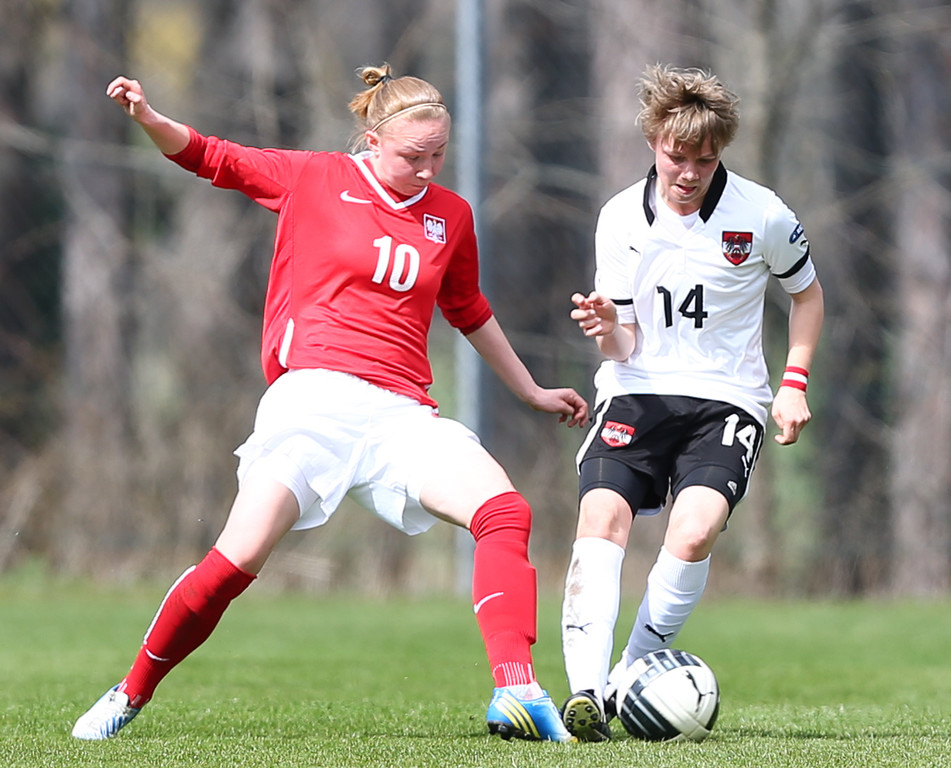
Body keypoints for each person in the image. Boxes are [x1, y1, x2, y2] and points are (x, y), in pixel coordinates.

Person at [72, 64, 589, 744]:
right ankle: (130, 691)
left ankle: (516, 688)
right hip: (313, 402)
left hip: (401, 414)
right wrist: (149, 118)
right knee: (236, 559)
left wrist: (530, 390)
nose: (427, 169)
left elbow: (466, 307)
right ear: (373, 141)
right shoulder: (315, 177)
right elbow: (211, 158)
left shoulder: (451, 215)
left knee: (504, 511)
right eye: (413, 156)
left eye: (438, 154)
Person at [559, 64, 824, 741]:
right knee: (601, 516)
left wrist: (793, 382)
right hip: (636, 391)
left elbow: (806, 296)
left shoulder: (762, 214)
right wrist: (605, 326)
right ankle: (584, 692)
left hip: (727, 400)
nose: (689, 172)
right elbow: (622, 344)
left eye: (705, 160)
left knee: (695, 530)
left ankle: (628, 673)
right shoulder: (620, 216)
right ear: (653, 141)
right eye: (677, 156)